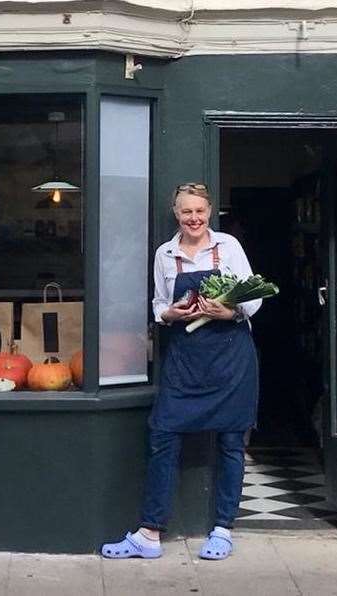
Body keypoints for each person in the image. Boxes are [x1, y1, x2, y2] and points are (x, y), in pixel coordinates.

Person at [101, 182, 262, 561]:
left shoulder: (229, 247)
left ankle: (223, 528)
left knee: (231, 443)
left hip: (231, 358)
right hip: (185, 359)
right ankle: (149, 533)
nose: (194, 218)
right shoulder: (165, 254)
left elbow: (253, 297)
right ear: (177, 214)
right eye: (186, 212)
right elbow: (159, 303)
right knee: (162, 434)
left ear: (210, 212)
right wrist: (170, 314)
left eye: (200, 211)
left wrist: (231, 311)